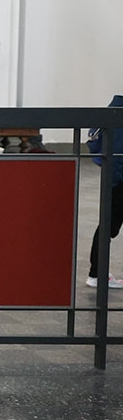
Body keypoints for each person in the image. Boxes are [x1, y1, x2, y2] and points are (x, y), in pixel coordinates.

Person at [87, 95, 123, 288]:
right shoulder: (119, 114)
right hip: (118, 180)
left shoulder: (113, 110)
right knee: (108, 226)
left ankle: (97, 273)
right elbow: (117, 154)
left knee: (108, 225)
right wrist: (116, 181)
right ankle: (97, 274)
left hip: (115, 178)